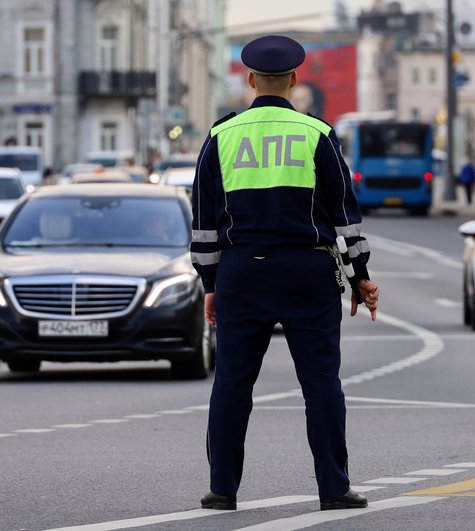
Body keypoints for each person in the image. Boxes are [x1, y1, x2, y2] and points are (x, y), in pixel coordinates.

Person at [191, 34, 378, 513]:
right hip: (306, 271)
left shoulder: (220, 136)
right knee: (321, 384)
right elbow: (344, 215)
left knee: (232, 383)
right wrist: (361, 276)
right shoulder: (316, 134)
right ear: (295, 80)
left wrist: (211, 286)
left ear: (250, 80)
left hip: (241, 273)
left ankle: (222, 490)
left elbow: (204, 223)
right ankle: (334, 489)